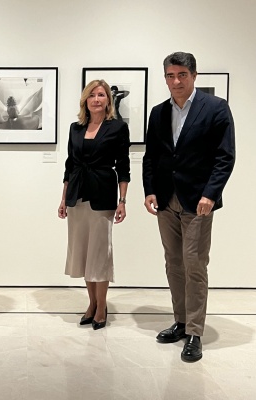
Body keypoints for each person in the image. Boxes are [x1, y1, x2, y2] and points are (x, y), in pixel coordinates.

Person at [142, 52, 235, 362]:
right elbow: (151, 156)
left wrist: (211, 193)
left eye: (181, 74)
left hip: (198, 202)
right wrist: (150, 189)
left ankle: (195, 331)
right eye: (170, 75)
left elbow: (225, 156)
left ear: (194, 76)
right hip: (166, 199)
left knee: (194, 264)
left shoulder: (216, 108)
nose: (176, 81)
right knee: (173, 262)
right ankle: (180, 322)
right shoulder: (158, 112)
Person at [58, 80, 130, 330]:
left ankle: (101, 306)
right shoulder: (75, 128)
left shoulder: (118, 128)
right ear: (85, 100)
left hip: (102, 194)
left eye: (101, 95)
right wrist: (63, 198)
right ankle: (91, 303)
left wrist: (122, 201)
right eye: (92, 95)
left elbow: (123, 166)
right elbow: (69, 164)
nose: (97, 99)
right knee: (83, 252)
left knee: (99, 254)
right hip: (77, 194)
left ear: (108, 100)